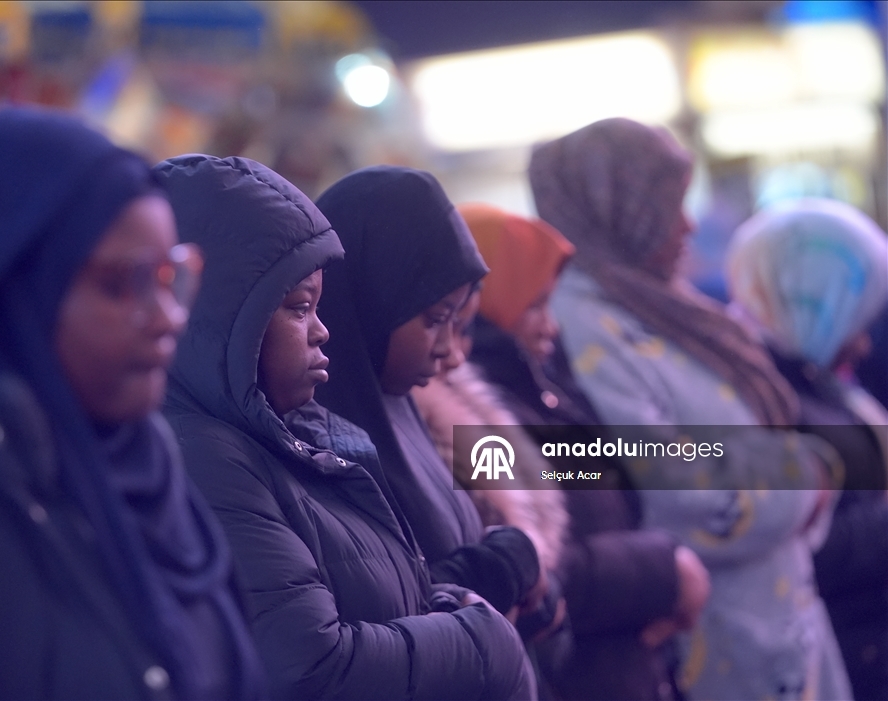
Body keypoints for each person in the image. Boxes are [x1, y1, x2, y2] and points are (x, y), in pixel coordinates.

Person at [0, 109, 263, 699]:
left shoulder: (144, 463)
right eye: (119, 284)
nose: (168, 318)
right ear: (1, 295)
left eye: (170, 276)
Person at [154, 154, 534, 701]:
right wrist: (490, 625)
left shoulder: (332, 433)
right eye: (436, 319)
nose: (454, 352)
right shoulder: (223, 455)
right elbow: (311, 666)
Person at [528, 117, 852, 701]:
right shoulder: (583, 332)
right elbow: (678, 487)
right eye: (669, 207)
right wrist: (807, 474)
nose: (689, 225)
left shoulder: (657, 303)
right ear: (619, 213)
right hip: (715, 649)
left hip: (775, 625)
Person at [457, 203, 709, 701]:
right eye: (534, 306)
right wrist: (662, 572)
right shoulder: (471, 419)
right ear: (485, 304)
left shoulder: (544, 389)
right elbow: (520, 566)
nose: (551, 326)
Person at [314, 167, 544, 628]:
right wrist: (504, 568)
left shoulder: (400, 408)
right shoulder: (318, 446)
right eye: (436, 320)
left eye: (458, 322)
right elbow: (388, 611)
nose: (448, 350)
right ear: (375, 302)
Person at [727, 198, 888, 701]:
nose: (862, 345)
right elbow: (801, 544)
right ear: (810, 299)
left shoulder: (816, 382)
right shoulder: (760, 400)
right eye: (851, 317)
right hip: (841, 651)